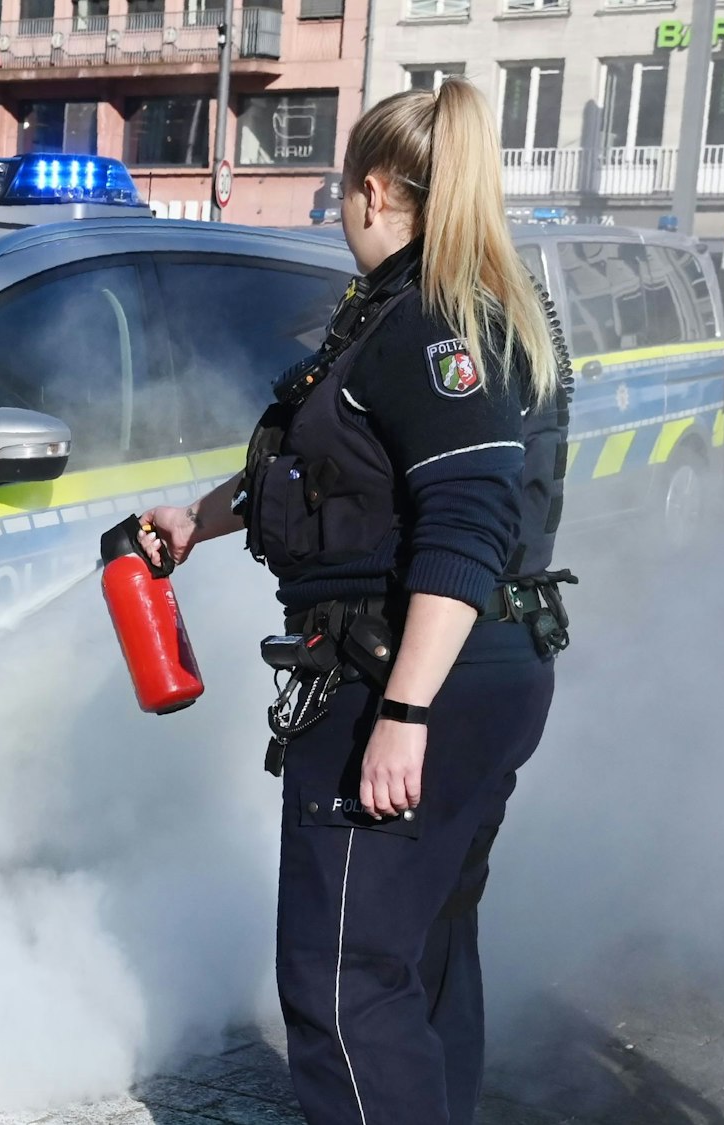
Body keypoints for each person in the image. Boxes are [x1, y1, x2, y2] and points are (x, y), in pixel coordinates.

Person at [139, 79, 571, 1125]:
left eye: (337, 198)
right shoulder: (442, 310)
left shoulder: (428, 328)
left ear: (373, 191)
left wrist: (402, 714)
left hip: (408, 672)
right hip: (466, 668)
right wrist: (202, 517)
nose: (336, 219)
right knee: (414, 957)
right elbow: (331, 465)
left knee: (341, 987)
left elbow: (466, 524)